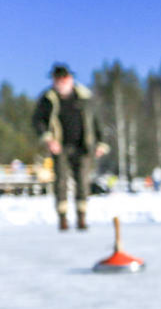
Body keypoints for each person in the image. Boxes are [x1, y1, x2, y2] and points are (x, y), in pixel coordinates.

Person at [31, 64, 109, 230]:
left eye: (64, 79)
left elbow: (96, 121)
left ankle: (81, 216)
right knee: (61, 182)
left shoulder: (84, 97)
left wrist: (101, 142)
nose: (61, 83)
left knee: (82, 181)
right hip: (59, 147)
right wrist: (48, 139)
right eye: (57, 80)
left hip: (83, 146)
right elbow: (38, 121)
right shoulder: (48, 99)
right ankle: (63, 218)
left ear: (70, 79)